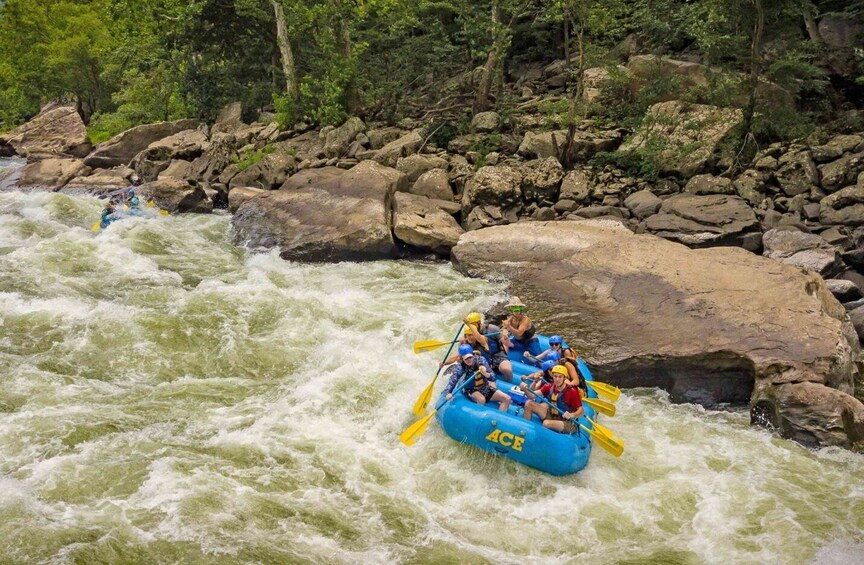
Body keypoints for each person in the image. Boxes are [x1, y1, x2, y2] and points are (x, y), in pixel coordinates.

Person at [444, 344, 511, 412]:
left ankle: (499, 418)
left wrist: (485, 373)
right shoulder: (460, 367)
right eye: (466, 358)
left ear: (473, 354)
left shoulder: (481, 360)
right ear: (462, 358)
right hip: (470, 390)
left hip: (484, 387)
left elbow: (493, 377)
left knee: (507, 399)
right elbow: (453, 380)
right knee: (482, 400)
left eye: (470, 357)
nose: (469, 360)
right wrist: (448, 393)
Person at [519, 365, 583, 434]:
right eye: (555, 376)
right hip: (551, 415)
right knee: (529, 403)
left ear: (564, 378)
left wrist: (572, 415)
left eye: (560, 377)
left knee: (546, 423)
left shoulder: (571, 392)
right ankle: (524, 430)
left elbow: (581, 411)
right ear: (552, 376)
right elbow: (532, 396)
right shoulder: (549, 386)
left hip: (567, 422)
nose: (557, 379)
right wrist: (525, 390)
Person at [461, 312, 515, 383]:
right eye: (470, 325)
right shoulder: (468, 334)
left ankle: (508, 384)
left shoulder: (491, 329)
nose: (472, 327)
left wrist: (505, 337)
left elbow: (507, 343)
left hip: (497, 356)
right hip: (482, 360)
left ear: (479, 323)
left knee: (507, 369)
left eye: (473, 325)